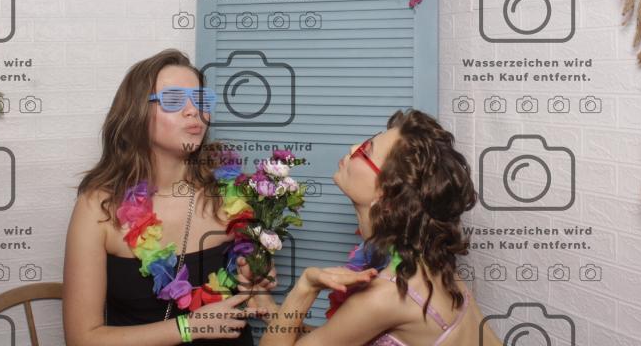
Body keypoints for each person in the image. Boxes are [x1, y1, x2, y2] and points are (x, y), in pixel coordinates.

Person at [238, 109, 502, 346]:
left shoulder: (389, 294)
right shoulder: (429, 264)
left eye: (366, 150)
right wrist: (272, 310)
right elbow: (339, 336)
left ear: (387, 195)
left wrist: (305, 286)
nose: (353, 147)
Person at [62, 49, 270, 346]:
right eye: (173, 100)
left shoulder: (229, 192)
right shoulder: (99, 207)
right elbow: (82, 339)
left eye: (201, 100)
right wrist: (188, 328)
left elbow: (253, 279)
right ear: (136, 113)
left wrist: (258, 274)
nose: (193, 111)